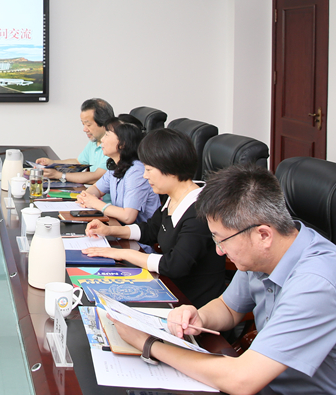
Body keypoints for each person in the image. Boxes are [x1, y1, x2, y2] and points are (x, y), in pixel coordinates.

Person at [112, 164, 336, 395]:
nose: (219, 251)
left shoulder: (318, 283)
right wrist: (199, 316)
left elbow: (242, 380)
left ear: (263, 235)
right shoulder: (264, 254)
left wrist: (148, 344)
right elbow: (229, 308)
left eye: (221, 240)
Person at [81, 128, 227, 307]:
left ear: (170, 168)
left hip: (189, 304)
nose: (145, 175)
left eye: (149, 169)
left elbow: (174, 265)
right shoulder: (174, 198)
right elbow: (150, 229)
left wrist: (122, 253)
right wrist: (110, 230)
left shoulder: (199, 211)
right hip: (167, 288)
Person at [74, 118, 159, 224]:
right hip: (119, 226)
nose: (102, 140)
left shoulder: (137, 171)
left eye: (107, 135)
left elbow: (128, 217)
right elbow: (97, 189)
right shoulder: (115, 164)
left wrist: (95, 203)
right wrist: (86, 197)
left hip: (139, 232)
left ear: (122, 144)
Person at [35, 98, 113, 184]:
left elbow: (97, 177)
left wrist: (59, 175)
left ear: (105, 123)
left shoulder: (113, 146)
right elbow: (78, 162)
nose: (84, 129)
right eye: (83, 124)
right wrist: (52, 163)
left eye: (88, 125)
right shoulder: (94, 141)